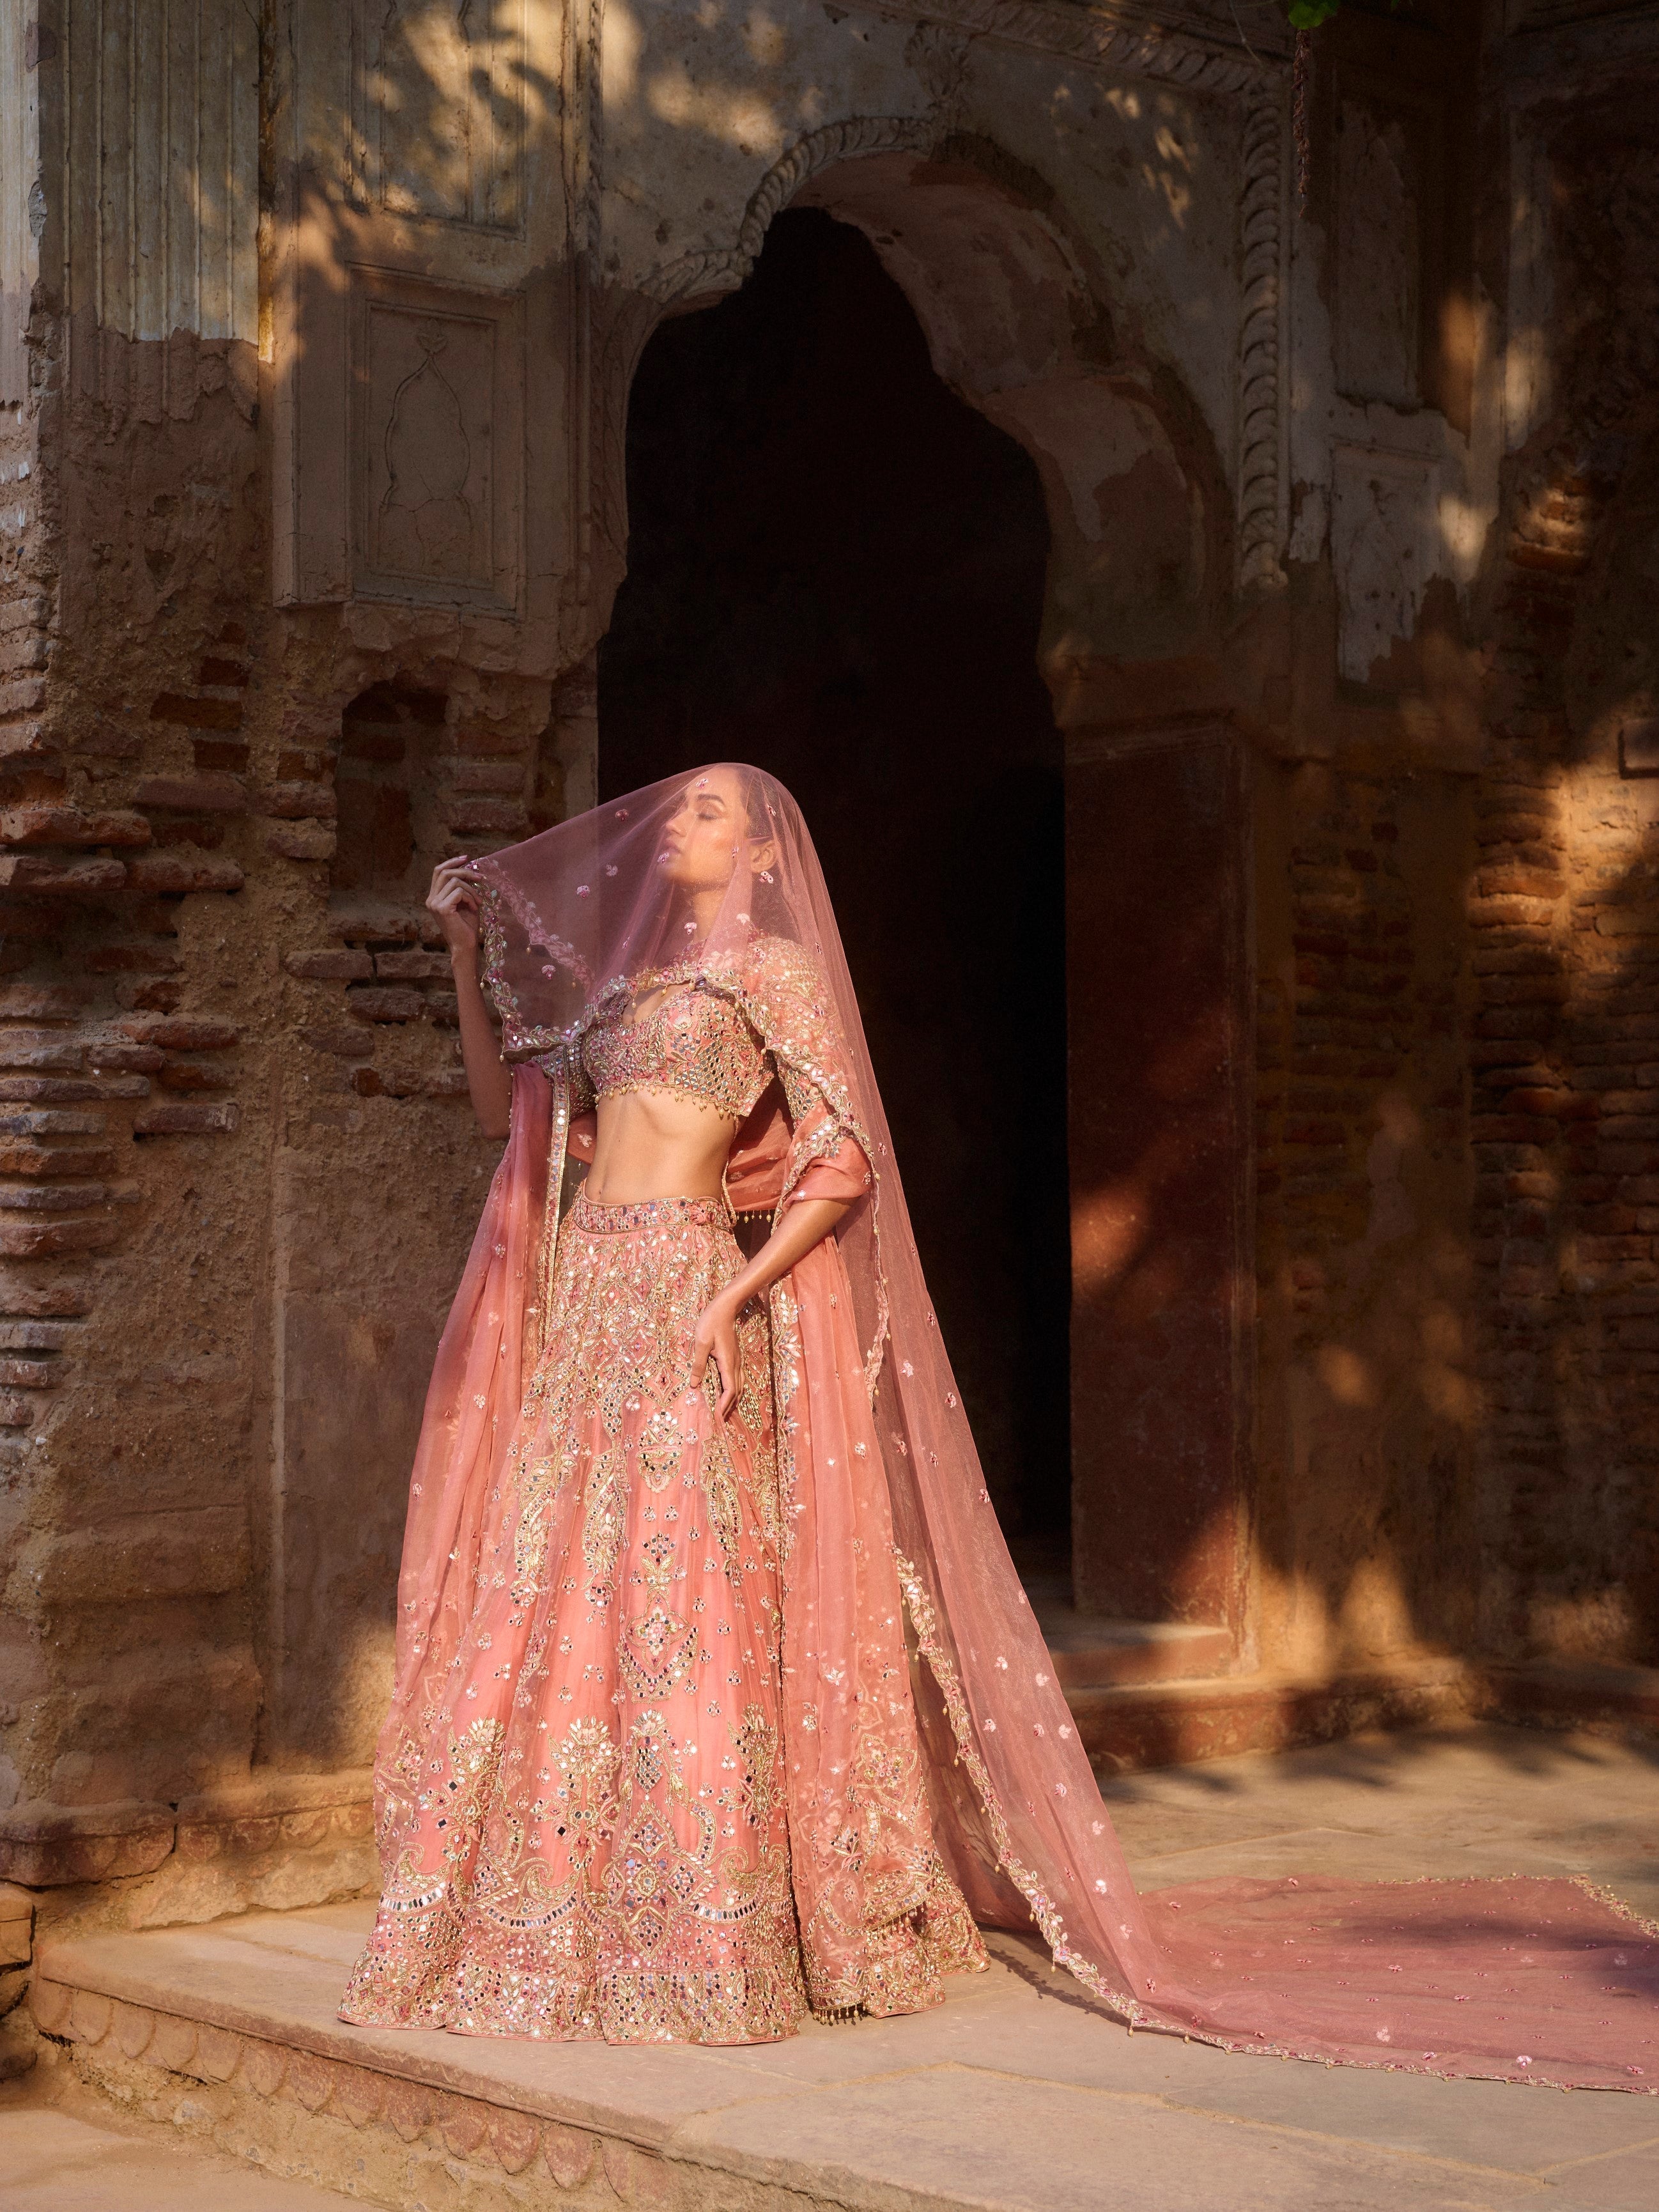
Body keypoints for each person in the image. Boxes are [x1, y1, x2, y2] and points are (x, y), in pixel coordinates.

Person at [342, 764, 1658, 2085]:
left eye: (705, 813)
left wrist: (729, 1295)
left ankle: (704, 1927)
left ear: (759, 855)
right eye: (673, 808)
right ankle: (551, 1899)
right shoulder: (619, 995)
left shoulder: (778, 977)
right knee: (567, 1588)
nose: (673, 826)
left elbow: (840, 1161)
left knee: (690, 1597)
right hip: (592, 1303)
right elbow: (494, 1114)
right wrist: (463, 956)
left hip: (688, 1286)